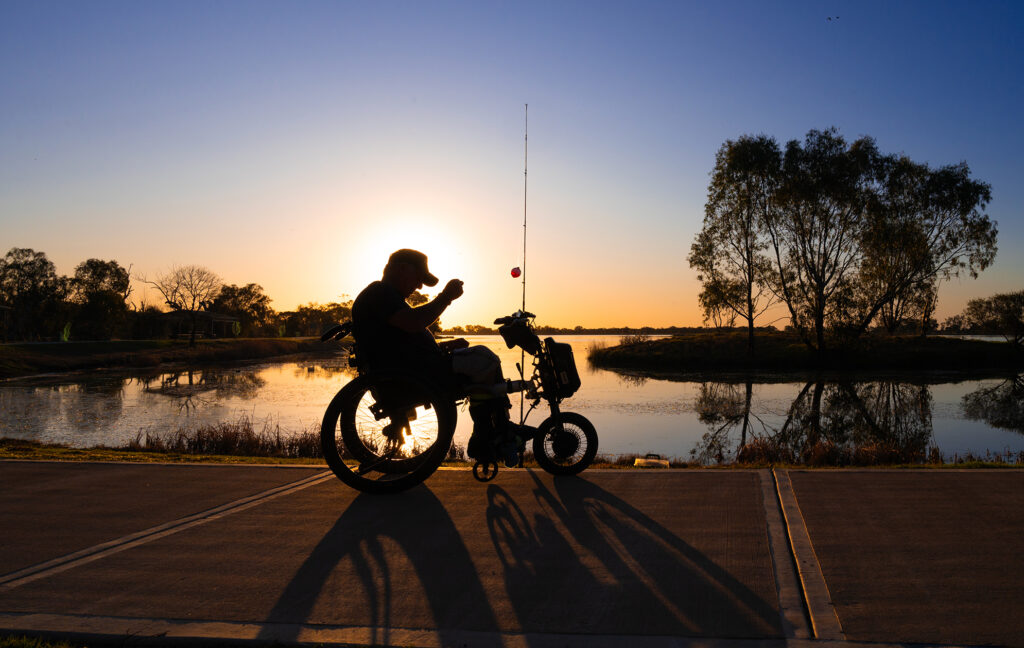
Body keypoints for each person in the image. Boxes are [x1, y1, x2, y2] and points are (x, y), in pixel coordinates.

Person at [351, 249, 528, 466]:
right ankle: (492, 433)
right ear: (402, 269)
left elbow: (402, 341)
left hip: (416, 369)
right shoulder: (380, 294)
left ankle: (492, 432)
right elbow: (413, 322)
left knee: (479, 361)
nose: (419, 286)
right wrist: (445, 297)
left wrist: (443, 347)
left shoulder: (385, 296)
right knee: (486, 359)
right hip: (414, 375)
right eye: (418, 278)